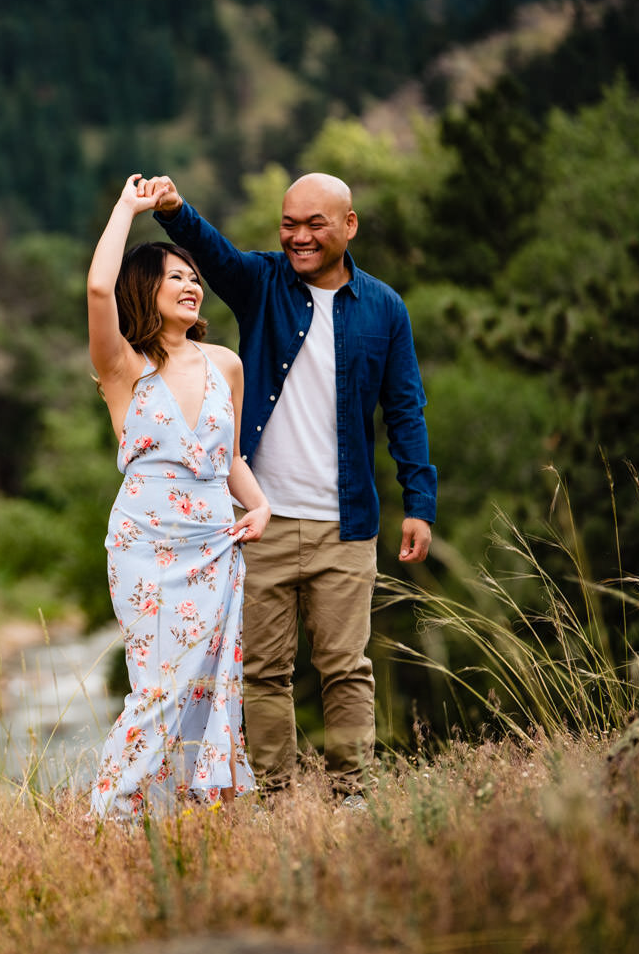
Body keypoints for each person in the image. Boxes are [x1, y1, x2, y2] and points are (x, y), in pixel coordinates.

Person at [139, 171, 436, 801]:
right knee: (263, 672)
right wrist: (172, 209)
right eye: (288, 224)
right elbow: (212, 250)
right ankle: (276, 797)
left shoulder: (384, 309)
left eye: (314, 224)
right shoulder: (262, 284)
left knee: (346, 669)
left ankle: (352, 795)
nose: (298, 237)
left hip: (345, 524)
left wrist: (420, 503)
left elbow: (405, 409)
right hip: (258, 521)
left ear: (348, 226)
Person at [87, 175, 272, 820]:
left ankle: (185, 819)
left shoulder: (225, 363)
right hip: (146, 545)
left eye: (196, 277)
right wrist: (129, 208)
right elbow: (96, 287)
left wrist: (261, 506)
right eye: (176, 278)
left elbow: (230, 461)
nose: (193, 286)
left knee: (207, 688)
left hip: (215, 544)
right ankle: (112, 816)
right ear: (148, 291)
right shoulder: (123, 367)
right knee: (158, 688)